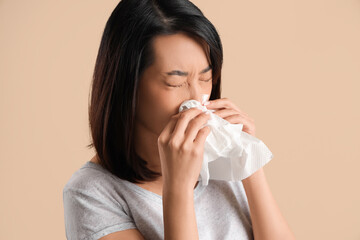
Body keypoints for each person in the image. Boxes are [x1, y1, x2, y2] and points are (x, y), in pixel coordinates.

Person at [62, 0, 296, 239]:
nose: (196, 97)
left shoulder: (220, 155)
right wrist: (179, 188)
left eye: (206, 78)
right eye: (176, 83)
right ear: (128, 88)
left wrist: (248, 161)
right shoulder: (90, 194)